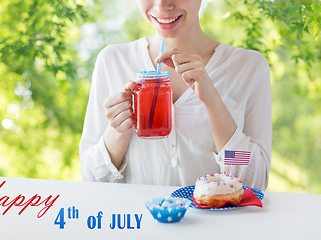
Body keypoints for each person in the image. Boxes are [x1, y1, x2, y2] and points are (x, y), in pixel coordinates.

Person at [79, 0, 272, 190]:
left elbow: (256, 181)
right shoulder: (113, 61)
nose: (162, 5)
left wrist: (213, 101)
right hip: (137, 220)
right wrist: (118, 131)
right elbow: (91, 179)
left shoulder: (249, 67)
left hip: (215, 221)